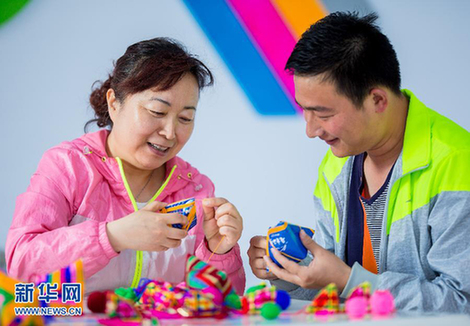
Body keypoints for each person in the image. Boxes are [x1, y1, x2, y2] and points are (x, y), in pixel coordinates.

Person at [248, 12, 470, 312]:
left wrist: (348, 280)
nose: (310, 131)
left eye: (323, 114)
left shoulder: (457, 162)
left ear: (377, 100)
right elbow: (331, 295)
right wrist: (288, 271)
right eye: (305, 111)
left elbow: (461, 303)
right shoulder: (336, 164)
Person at [6, 37, 245, 295]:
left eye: (185, 118)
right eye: (157, 111)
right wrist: (112, 236)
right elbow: (22, 264)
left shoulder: (196, 188)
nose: (170, 132)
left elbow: (222, 303)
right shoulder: (68, 166)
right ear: (114, 103)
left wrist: (219, 250)